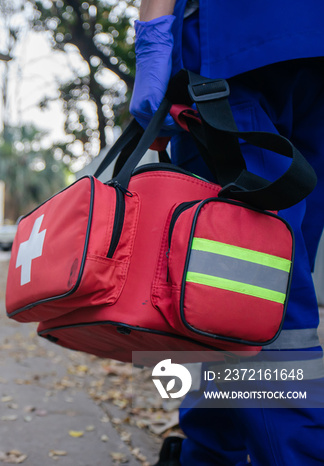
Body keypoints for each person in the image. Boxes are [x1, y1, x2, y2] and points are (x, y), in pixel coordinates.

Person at [130, 1, 324, 465]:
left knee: (240, 297)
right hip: (270, 51)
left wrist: (153, 38)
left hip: (240, 53)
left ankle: (233, 454)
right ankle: (226, 453)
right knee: (254, 294)